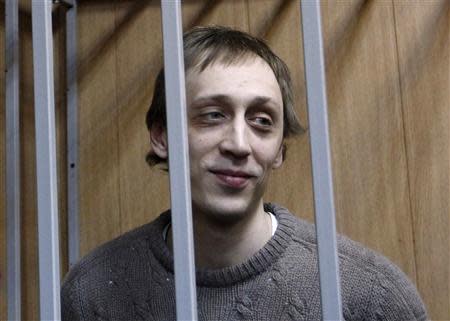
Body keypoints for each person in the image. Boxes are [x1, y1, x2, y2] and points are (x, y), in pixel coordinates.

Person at [61, 26, 428, 321]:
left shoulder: (371, 295)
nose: (239, 144)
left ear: (280, 149)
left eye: (262, 121)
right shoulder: (92, 291)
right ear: (162, 136)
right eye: (213, 115)